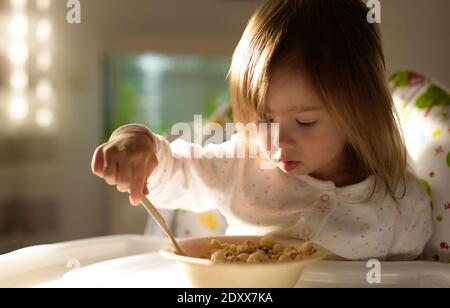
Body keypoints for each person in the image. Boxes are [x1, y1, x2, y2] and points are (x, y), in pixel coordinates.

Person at [91, 0, 432, 260]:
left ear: (358, 110)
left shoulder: (401, 203)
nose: (277, 141)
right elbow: (180, 169)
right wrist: (143, 148)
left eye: (305, 122)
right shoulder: (243, 164)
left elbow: (416, 278)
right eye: (264, 120)